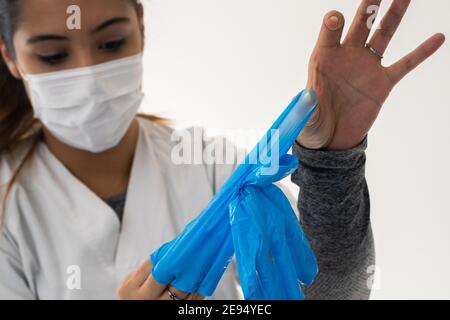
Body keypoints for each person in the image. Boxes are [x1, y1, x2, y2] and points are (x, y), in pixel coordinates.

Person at [0, 0, 444, 300]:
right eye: (54, 56)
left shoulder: (210, 166)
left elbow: (322, 288)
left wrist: (332, 163)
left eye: (112, 43)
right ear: (10, 57)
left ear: (141, 31)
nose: (90, 76)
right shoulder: (7, 205)